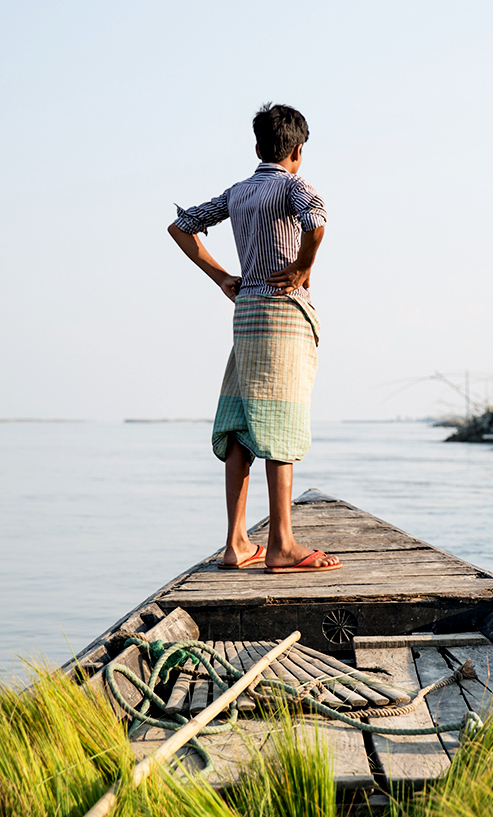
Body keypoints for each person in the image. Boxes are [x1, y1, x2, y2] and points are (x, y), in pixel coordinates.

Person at [167, 103, 340, 574]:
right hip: (282, 315)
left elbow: (180, 227)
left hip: (245, 314)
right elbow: (317, 222)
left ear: (259, 146)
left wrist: (222, 277)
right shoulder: (293, 185)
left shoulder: (239, 192)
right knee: (281, 419)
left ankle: (237, 542)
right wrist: (304, 267)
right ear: (297, 150)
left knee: (243, 420)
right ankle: (282, 544)